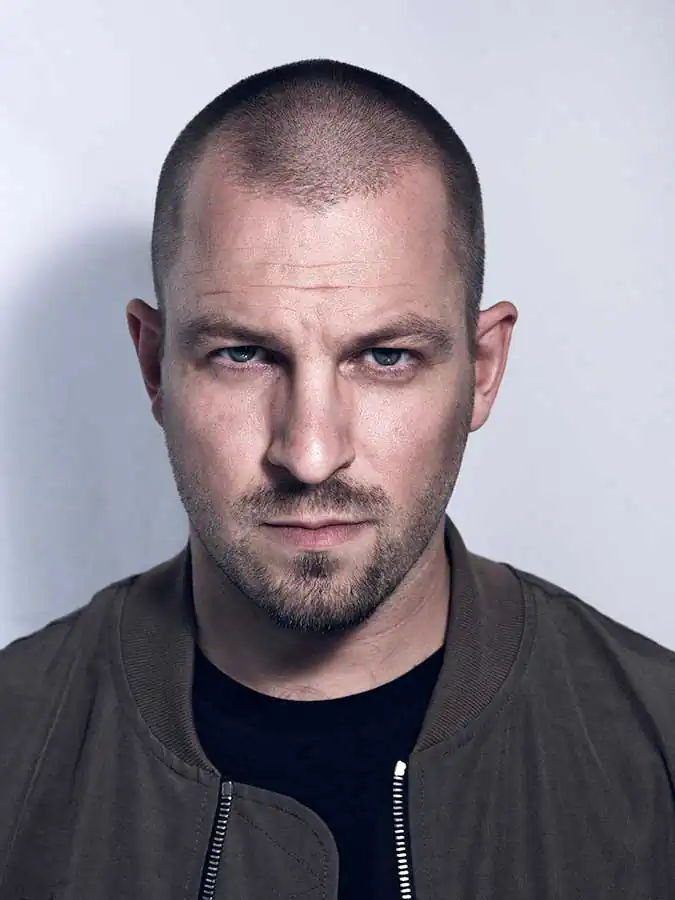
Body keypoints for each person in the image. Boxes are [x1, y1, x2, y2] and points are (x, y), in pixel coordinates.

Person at [0, 57, 673, 900]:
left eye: (385, 357)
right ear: (154, 367)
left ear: (483, 369)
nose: (310, 453)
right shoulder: (14, 748)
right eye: (243, 354)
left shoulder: (655, 752)